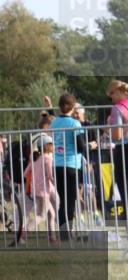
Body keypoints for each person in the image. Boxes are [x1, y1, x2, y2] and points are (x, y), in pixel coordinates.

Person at [50, 93, 89, 238]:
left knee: (61, 200)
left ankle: (63, 232)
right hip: (71, 165)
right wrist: (90, 145)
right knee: (71, 200)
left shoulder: (54, 123)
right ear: (73, 107)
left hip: (57, 165)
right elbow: (80, 147)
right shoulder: (75, 124)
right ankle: (67, 233)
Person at [24, 135, 58, 244]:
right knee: (41, 215)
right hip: (44, 192)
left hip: (36, 190)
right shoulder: (48, 158)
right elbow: (50, 176)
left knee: (51, 214)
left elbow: (25, 174)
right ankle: (25, 231)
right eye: (51, 144)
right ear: (46, 146)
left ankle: (52, 238)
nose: (53, 146)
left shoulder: (36, 159)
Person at [107, 79, 128, 222]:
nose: (111, 98)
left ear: (120, 92)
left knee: (124, 186)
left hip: (124, 150)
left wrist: (108, 126)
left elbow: (117, 136)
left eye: (112, 94)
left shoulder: (117, 109)